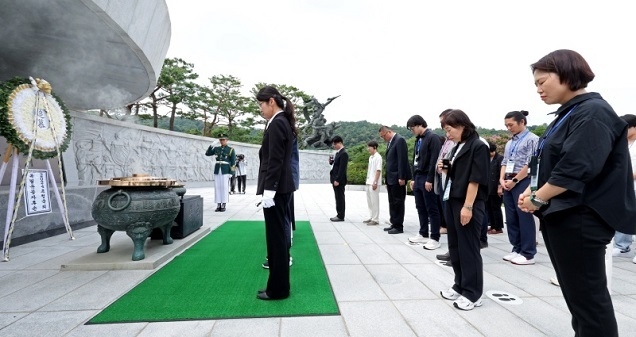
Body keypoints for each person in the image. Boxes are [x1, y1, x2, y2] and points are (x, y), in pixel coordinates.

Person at [518, 49, 636, 336]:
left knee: (589, 302)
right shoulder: (570, 112)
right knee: (578, 300)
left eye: (542, 81)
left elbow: (576, 167)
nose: (538, 89)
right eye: (535, 84)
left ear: (568, 75)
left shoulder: (593, 112)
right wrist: (533, 191)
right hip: (564, 216)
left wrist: (537, 197)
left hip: (581, 218)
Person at [438, 109, 489, 311]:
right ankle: (460, 285)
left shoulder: (478, 145)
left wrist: (468, 206)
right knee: (456, 247)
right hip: (453, 200)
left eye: (449, 129)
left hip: (468, 203)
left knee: (469, 249)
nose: (447, 135)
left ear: (462, 125)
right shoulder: (459, 146)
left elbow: (475, 179)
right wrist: (448, 166)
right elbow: (460, 172)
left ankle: (473, 293)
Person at [255, 85, 296, 300]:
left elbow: (276, 161)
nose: (261, 109)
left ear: (271, 101)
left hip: (277, 190)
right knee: (275, 238)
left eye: (261, 104)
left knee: (277, 238)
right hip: (278, 189)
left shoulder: (278, 122)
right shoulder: (278, 122)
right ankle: (276, 285)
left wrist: (269, 192)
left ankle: (278, 289)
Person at [500, 110, 539, 265]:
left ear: (522, 122)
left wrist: (515, 180)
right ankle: (516, 248)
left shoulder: (532, 140)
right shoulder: (510, 142)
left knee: (524, 216)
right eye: (506, 125)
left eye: (511, 124)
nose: (509, 128)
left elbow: (530, 164)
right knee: (511, 217)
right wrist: (501, 179)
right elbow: (504, 162)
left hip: (522, 180)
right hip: (508, 180)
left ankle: (528, 253)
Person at [406, 115, 442, 250]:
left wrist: (430, 179)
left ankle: (435, 237)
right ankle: (423, 233)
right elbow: (415, 159)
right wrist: (413, 178)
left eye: (412, 128)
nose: (412, 131)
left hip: (428, 176)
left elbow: (434, 159)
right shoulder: (418, 140)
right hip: (418, 176)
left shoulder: (433, 138)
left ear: (420, 124)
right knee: (420, 207)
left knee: (432, 208)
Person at [379, 125, 412, 234]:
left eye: (383, 136)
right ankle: (393, 222)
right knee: (392, 201)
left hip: (398, 177)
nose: (383, 139)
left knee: (398, 201)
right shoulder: (390, 143)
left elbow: (402, 160)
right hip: (391, 178)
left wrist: (402, 177)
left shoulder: (400, 140)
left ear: (388, 132)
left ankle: (398, 226)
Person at [612, 114, 636, 260]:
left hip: (633, 182)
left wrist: (628, 175)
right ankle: (622, 246)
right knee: (623, 214)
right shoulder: (621, 143)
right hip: (622, 185)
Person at [205, 133, 236, 212]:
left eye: (223, 140)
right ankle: (218, 203)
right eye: (220, 140)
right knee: (217, 187)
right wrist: (211, 145)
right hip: (217, 169)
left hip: (225, 170)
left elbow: (233, 162)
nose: (222, 141)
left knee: (224, 187)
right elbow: (207, 153)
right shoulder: (217, 149)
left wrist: (231, 173)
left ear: (227, 140)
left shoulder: (231, 149)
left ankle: (224, 204)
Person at [486, 141, 504, 234]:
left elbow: (502, 174)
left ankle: (498, 227)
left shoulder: (500, 159)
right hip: (488, 187)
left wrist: (500, 187)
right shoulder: (487, 159)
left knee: (495, 207)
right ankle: (492, 225)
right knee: (489, 207)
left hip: (496, 187)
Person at [329, 135, 348, 221]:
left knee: (340, 197)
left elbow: (342, 169)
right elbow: (336, 165)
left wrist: (337, 180)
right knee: (337, 197)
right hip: (335, 178)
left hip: (339, 180)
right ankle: (338, 214)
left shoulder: (344, 153)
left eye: (335, 144)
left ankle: (341, 216)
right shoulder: (338, 153)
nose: (334, 146)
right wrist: (331, 162)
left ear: (340, 143)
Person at [364, 140, 382, 225]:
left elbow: (378, 170)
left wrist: (375, 182)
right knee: (369, 201)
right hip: (368, 181)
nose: (368, 149)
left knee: (375, 201)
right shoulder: (371, 157)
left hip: (374, 183)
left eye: (369, 147)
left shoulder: (378, 157)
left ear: (374, 147)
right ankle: (371, 216)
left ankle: (375, 219)